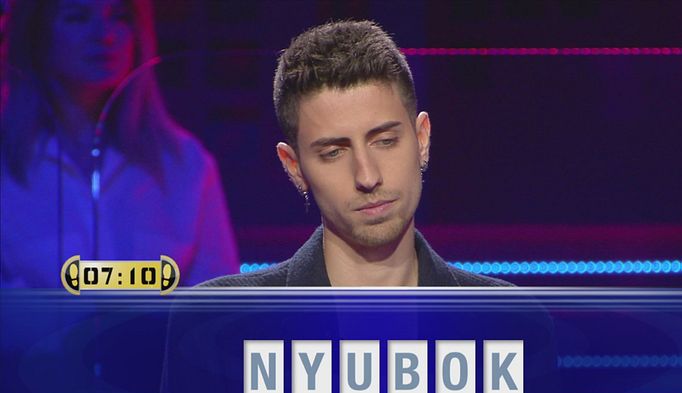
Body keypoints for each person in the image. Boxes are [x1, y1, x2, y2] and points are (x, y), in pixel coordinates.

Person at [201, 20, 508, 287]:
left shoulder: (509, 320)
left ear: (421, 139)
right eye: (334, 152)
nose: (367, 177)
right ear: (294, 167)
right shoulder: (220, 321)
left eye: (385, 141)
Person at [0, 0, 239, 287]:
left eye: (119, 17)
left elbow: (217, 303)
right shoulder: (7, 167)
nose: (104, 35)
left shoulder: (185, 164)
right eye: (78, 17)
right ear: (36, 33)